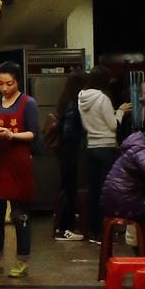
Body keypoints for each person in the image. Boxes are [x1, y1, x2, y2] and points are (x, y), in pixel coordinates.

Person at [0, 61, 41, 279]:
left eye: (9, 83)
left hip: (19, 164)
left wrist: (12, 135)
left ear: (17, 81)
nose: (4, 88)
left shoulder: (28, 103)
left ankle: (22, 260)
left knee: (20, 215)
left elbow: (33, 133)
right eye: (0, 83)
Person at [78, 66, 129, 240]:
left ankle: (92, 230)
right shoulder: (102, 98)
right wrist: (120, 111)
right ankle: (103, 232)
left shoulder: (81, 97)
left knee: (93, 190)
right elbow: (113, 125)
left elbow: (87, 124)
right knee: (106, 191)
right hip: (106, 147)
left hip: (91, 147)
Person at [52, 71, 87, 240]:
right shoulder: (74, 104)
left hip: (64, 152)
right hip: (69, 151)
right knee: (70, 190)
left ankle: (62, 225)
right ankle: (65, 229)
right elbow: (69, 132)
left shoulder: (65, 101)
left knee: (66, 188)